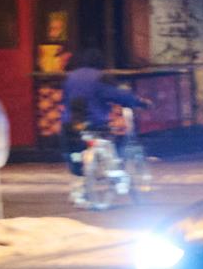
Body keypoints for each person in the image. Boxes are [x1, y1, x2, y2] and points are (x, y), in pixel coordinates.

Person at [62, 49, 150, 201]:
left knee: (75, 153)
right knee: (116, 141)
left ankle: (79, 179)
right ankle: (117, 173)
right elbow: (118, 95)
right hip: (95, 122)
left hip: (71, 124)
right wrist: (139, 102)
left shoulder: (70, 78)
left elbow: (66, 99)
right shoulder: (100, 77)